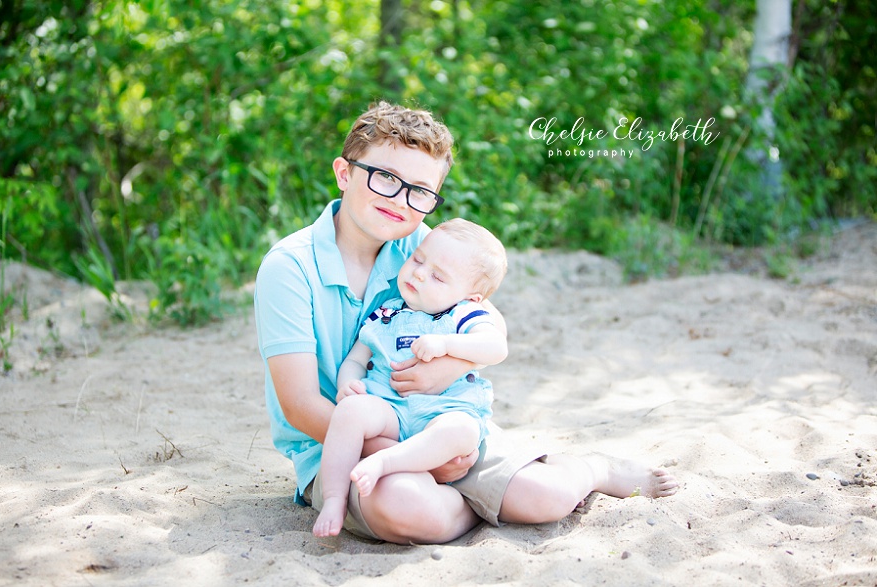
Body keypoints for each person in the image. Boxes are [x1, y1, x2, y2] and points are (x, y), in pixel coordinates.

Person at [254, 101, 678, 544]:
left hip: (439, 422)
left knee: (545, 498)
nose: (400, 200)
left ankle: (594, 468)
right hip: (343, 445)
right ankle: (478, 507)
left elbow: (487, 321)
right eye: (385, 178)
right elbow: (300, 405)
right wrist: (407, 454)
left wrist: (452, 365)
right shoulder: (291, 267)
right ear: (345, 173)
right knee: (404, 505)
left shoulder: (421, 246)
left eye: (419, 190)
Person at [313, 219, 508, 537]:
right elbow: (357, 358)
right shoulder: (386, 313)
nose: (419, 273)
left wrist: (447, 344)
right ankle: (334, 498)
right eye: (418, 259)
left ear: (470, 296)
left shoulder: (464, 315)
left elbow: (496, 348)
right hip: (389, 407)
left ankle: (387, 462)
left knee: (462, 431)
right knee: (349, 412)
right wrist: (347, 383)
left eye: (437, 276)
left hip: (445, 410)